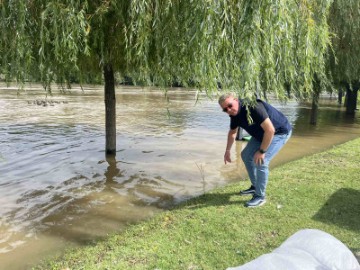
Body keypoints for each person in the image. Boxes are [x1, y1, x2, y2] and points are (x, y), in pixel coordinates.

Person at [219, 93, 292, 207]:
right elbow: (233, 132)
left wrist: (262, 151)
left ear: (236, 100)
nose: (229, 110)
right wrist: (227, 151)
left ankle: (260, 197)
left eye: (230, 105)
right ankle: (255, 187)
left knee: (261, 161)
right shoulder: (233, 115)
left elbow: (270, 130)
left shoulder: (253, 107)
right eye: (225, 109)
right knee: (246, 155)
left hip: (279, 132)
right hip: (261, 134)